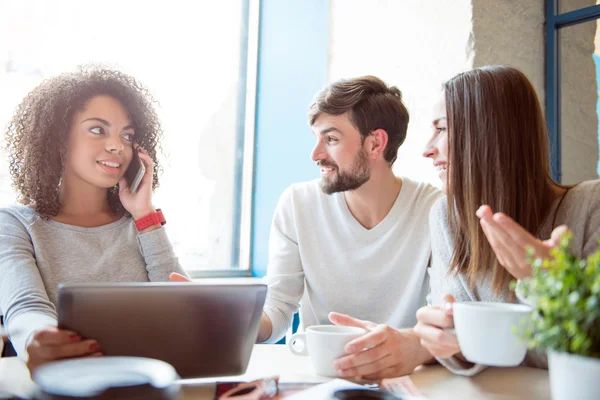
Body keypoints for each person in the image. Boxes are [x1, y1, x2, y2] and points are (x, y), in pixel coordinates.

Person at [415, 65, 600, 375]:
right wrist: (445, 340)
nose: (426, 149)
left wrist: (546, 284)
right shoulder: (446, 216)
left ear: (489, 134)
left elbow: (590, 351)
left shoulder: (591, 207)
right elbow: (461, 339)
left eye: (442, 128)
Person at [0, 66, 188, 372]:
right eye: (98, 129)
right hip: (66, 381)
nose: (117, 146)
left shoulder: (140, 223)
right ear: (59, 139)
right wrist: (40, 339)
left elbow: (179, 304)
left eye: (127, 135)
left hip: (145, 381)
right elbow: (26, 307)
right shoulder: (15, 223)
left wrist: (144, 215)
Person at [255, 75, 441, 379]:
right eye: (317, 138)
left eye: (331, 139)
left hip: (408, 379)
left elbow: (442, 321)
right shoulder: (297, 204)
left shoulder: (435, 210)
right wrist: (226, 318)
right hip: (320, 378)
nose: (315, 154)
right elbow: (277, 311)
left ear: (375, 143)